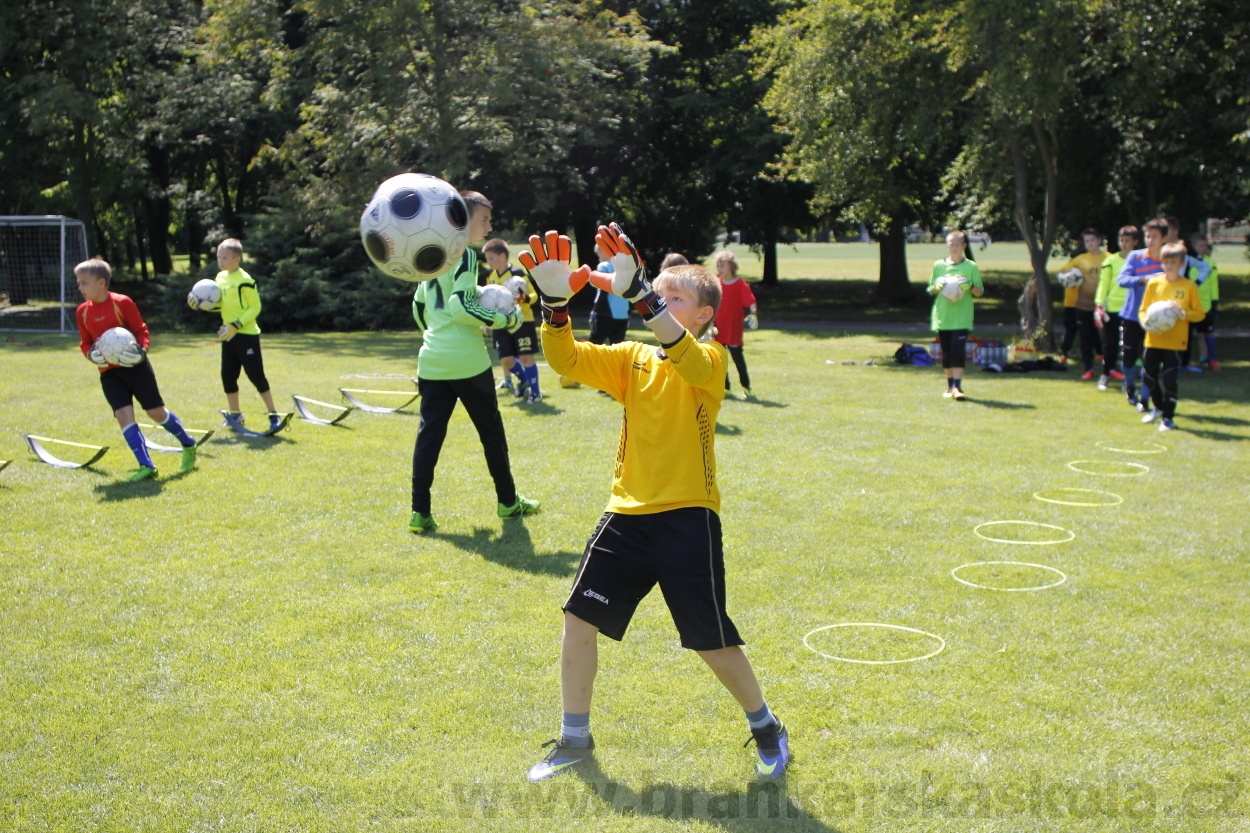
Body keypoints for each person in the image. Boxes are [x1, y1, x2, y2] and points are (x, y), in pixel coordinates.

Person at [519, 224, 789, 783]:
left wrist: (643, 294)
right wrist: (553, 308)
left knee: (709, 636)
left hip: (689, 516)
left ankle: (766, 727)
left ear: (702, 316)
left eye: (675, 298)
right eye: (655, 293)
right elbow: (566, 362)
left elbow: (684, 358)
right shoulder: (633, 359)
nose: (661, 303)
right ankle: (574, 740)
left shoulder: (709, 360)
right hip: (626, 513)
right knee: (578, 618)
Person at [408, 191, 539, 533]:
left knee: (429, 436)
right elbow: (461, 307)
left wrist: (435, 337)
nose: (489, 226)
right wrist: (506, 322)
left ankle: (419, 512)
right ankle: (508, 503)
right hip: (466, 361)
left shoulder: (431, 256)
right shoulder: (463, 256)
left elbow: (419, 310)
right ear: (462, 221)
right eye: (484, 219)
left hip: (432, 361)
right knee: (491, 433)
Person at [75, 259, 198, 481]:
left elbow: (141, 330)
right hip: (109, 373)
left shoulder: (122, 303)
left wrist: (141, 350)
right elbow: (85, 342)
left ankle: (188, 443)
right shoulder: (82, 311)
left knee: (155, 413)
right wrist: (90, 354)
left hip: (135, 367)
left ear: (101, 282)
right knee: (123, 415)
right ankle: (146, 465)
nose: (80, 288)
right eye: (79, 283)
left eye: (84, 283)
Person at [214, 238, 281, 432]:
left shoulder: (245, 280)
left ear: (237, 259)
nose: (221, 261)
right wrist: (201, 303)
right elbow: (220, 304)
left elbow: (255, 307)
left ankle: (273, 414)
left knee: (256, 375)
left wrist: (237, 324)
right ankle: (236, 415)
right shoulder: (220, 278)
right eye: (219, 256)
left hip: (246, 335)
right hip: (228, 336)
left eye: (225, 257)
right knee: (227, 375)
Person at [1138, 242, 1204, 431]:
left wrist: (1185, 315)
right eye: (1166, 261)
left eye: (1174, 262)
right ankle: (1158, 407)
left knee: (1169, 379)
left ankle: (1168, 418)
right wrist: (1146, 323)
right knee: (1148, 377)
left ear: (1182, 263)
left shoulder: (1188, 286)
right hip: (1153, 338)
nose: (1169, 265)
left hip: (1175, 342)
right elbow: (1144, 310)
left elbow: (1200, 313)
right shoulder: (1154, 283)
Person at [1117, 219, 1169, 411]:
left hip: (1156, 319)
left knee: (1150, 360)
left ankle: (1144, 399)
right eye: (1148, 236)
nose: (1150, 240)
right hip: (1132, 315)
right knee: (1129, 355)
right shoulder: (1135, 257)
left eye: (1155, 236)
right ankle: (1130, 386)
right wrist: (1143, 279)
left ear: (1164, 238)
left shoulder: (1168, 260)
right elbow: (1122, 280)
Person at [482, 238, 542, 401]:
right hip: (500, 322)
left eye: (491, 258)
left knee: (525, 357)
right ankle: (524, 382)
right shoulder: (491, 276)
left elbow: (534, 295)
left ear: (502, 256)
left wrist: (524, 298)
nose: (488, 262)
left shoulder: (517, 274)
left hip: (522, 320)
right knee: (506, 360)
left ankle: (536, 392)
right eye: (487, 258)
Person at [927, 230, 984, 399]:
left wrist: (969, 285)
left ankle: (958, 387)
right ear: (947, 246)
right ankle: (949, 384)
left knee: (957, 349)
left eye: (958, 244)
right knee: (947, 351)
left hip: (962, 316)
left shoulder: (971, 267)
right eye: (952, 244)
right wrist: (937, 286)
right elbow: (930, 289)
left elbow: (979, 292)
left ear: (964, 246)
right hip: (943, 316)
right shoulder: (939, 266)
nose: (955, 247)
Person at [1056, 228, 1107, 380]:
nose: (1090, 243)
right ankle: (1088, 368)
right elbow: (1062, 273)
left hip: (1104, 304)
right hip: (1083, 305)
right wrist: (1066, 277)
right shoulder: (1080, 260)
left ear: (1099, 241)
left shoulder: (1109, 258)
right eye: (1087, 241)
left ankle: (1108, 365)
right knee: (1085, 336)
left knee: (1103, 335)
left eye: (1092, 240)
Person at [1163, 218, 1213, 371]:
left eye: (1167, 230)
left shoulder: (1186, 249)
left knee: (1185, 327)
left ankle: (1184, 363)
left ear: (1175, 231)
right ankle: (1165, 361)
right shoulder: (1162, 247)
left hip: (1182, 296)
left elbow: (1205, 267)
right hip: (1163, 293)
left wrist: (1196, 283)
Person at [1094, 226, 1139, 390]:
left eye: (1128, 241)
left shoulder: (1140, 260)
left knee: (1130, 346)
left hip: (1133, 308)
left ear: (1135, 242)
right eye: (1122, 240)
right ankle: (1106, 374)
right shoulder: (1110, 261)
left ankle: (1129, 379)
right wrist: (1099, 304)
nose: (1124, 244)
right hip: (1113, 308)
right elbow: (1103, 284)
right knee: (1110, 344)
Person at [712, 249, 758, 397]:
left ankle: (746, 386)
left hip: (733, 329)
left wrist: (753, 313)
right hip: (718, 328)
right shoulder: (717, 284)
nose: (720, 269)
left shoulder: (740, 284)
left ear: (731, 266)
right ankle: (725, 386)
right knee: (720, 360)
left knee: (738, 358)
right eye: (718, 266)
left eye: (722, 265)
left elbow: (751, 301)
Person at [1189, 232, 1220, 371]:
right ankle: (1185, 361)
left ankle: (1210, 359)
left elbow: (1214, 283)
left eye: (1205, 246)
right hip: (1189, 304)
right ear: (1194, 246)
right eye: (1201, 246)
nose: (1203, 248)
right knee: (1187, 334)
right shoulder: (1187, 261)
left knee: (1206, 332)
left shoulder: (1210, 263)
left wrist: (1214, 302)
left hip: (1205, 305)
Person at [588, 244, 630, 345]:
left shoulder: (604, 266)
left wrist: (595, 311)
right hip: (623, 313)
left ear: (604, 251)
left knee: (594, 344)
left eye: (599, 254)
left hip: (606, 312)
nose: (599, 258)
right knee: (617, 348)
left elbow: (603, 291)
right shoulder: (624, 267)